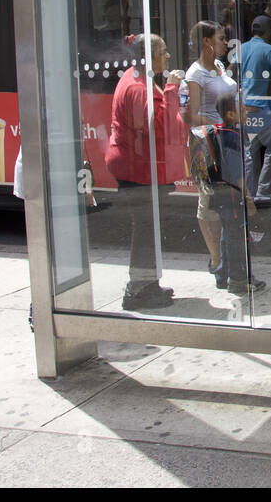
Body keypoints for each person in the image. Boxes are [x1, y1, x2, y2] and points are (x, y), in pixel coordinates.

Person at [104, 34, 184, 309]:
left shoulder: (137, 78)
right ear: (148, 57)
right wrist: (172, 89)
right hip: (137, 169)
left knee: (147, 228)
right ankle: (138, 290)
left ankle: (147, 284)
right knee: (146, 229)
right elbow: (160, 128)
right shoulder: (139, 88)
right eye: (164, 52)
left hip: (138, 167)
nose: (168, 57)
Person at [181, 20, 239, 287]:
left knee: (229, 203)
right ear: (207, 42)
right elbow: (192, 117)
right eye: (220, 38)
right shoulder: (195, 75)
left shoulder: (217, 68)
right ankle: (217, 261)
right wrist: (219, 123)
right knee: (209, 205)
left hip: (229, 140)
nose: (224, 42)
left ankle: (227, 262)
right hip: (210, 146)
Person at [189, 93, 259, 296]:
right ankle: (238, 280)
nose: (246, 112)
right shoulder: (233, 136)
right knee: (236, 236)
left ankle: (222, 275)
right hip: (233, 196)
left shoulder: (223, 132)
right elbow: (238, 175)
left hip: (221, 195)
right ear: (230, 114)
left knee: (226, 233)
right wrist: (248, 199)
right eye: (242, 109)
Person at [237, 14, 271, 202]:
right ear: (269, 32)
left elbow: (232, 69)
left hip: (242, 106)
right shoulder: (268, 49)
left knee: (250, 151)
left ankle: (249, 193)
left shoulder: (241, 48)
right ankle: (265, 192)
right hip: (259, 107)